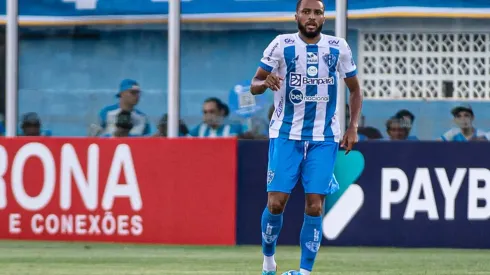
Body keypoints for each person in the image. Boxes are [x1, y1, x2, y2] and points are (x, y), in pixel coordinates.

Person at [250, 0, 362, 274]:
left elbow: (355, 90)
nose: (312, 17)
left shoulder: (338, 47)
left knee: (315, 206)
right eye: (307, 12)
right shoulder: (281, 44)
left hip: (324, 138)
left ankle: (304, 272)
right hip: (286, 134)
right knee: (276, 203)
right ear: (297, 15)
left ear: (324, 17)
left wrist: (353, 127)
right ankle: (268, 262)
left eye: (318, 13)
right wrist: (265, 83)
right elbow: (254, 84)